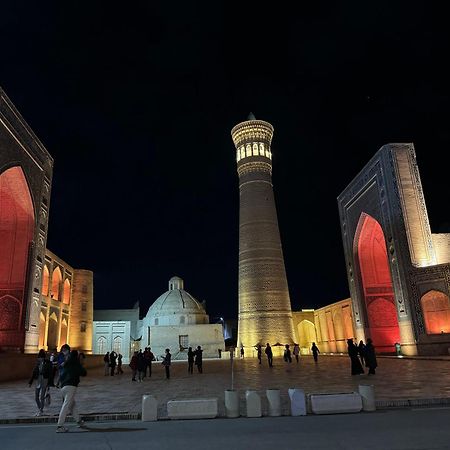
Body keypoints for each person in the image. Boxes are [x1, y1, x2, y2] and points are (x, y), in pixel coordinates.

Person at [56, 347, 87, 433]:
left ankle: (79, 421)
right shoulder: (75, 363)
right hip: (71, 386)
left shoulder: (66, 363)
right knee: (66, 405)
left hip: (63, 387)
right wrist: (80, 362)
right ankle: (60, 426)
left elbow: (61, 375)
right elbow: (83, 372)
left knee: (71, 405)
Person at [29, 349, 53, 416]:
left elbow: (50, 374)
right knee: (36, 396)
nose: (40, 359)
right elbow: (34, 372)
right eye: (39, 358)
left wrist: (49, 384)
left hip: (45, 380)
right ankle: (40, 408)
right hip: (38, 381)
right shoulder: (37, 363)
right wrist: (30, 382)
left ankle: (41, 410)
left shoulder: (48, 363)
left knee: (42, 396)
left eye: (41, 357)